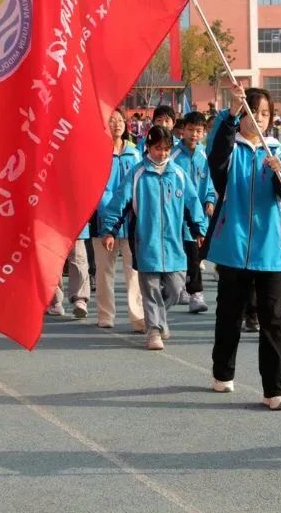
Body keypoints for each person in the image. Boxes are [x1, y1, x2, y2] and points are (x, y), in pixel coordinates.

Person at [205, 84, 281, 411]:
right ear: (241, 116)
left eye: (264, 113)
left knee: (273, 318)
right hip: (233, 246)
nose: (258, 118)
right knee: (229, 313)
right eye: (251, 112)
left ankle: (274, 388)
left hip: (271, 250)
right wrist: (229, 112)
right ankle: (222, 371)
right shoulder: (232, 150)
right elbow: (215, 157)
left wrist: (279, 173)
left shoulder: (279, 152)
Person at [101, 126, 207, 350]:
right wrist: (110, 231)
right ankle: (154, 330)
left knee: (177, 289)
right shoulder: (138, 174)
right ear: (148, 147)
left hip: (174, 244)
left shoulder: (178, 174)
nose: (163, 153)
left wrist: (199, 229)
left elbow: (192, 203)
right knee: (149, 290)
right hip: (145, 243)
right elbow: (119, 203)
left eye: (167, 149)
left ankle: (158, 318)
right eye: (158, 148)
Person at [92, 108, 144, 331]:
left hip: (130, 221)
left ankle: (138, 316)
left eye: (120, 120)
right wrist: (105, 213)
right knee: (104, 270)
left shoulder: (135, 154)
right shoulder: (96, 153)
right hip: (104, 221)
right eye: (111, 121)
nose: (117, 124)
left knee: (134, 271)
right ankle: (105, 315)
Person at [170, 111, 216, 314]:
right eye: (190, 129)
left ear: (204, 132)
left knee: (195, 254)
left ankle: (195, 293)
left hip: (198, 217)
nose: (194, 134)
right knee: (180, 253)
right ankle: (184, 288)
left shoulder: (205, 156)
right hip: (177, 215)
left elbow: (210, 183)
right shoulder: (173, 156)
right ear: (182, 130)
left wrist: (209, 200)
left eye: (198, 130)